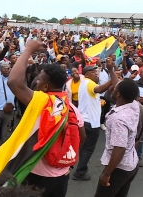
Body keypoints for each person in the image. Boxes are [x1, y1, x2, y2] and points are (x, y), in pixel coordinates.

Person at [7, 40, 86, 197]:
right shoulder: (72, 108)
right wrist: (66, 162)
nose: (36, 82)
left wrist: (28, 49)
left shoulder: (42, 102)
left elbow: (14, 82)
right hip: (61, 177)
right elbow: (82, 137)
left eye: (39, 79)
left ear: (45, 87)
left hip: (36, 177)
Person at [73, 59, 118, 181]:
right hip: (91, 122)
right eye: (93, 72)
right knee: (88, 148)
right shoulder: (88, 82)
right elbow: (99, 90)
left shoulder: (85, 83)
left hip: (84, 120)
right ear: (87, 74)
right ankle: (80, 171)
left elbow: (101, 93)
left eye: (96, 72)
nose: (96, 74)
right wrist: (111, 76)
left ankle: (79, 167)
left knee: (84, 147)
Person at [94, 78, 140, 197]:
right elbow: (124, 87)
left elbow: (119, 148)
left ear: (118, 94)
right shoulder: (134, 105)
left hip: (119, 169)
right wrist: (111, 70)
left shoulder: (118, 119)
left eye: (115, 89)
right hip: (131, 164)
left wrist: (107, 173)